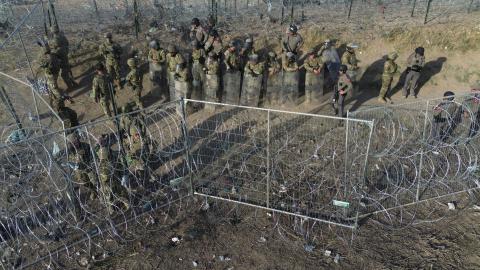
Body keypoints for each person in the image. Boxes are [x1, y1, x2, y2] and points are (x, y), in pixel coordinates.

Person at [96, 135, 129, 214]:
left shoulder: (114, 154)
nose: (101, 143)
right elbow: (96, 171)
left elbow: (122, 164)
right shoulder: (97, 157)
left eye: (103, 142)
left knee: (121, 192)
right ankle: (112, 210)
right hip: (106, 182)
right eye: (100, 142)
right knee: (109, 196)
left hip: (116, 177)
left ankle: (125, 206)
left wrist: (125, 175)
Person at [67, 132, 97, 200]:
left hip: (89, 168)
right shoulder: (69, 151)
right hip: (79, 171)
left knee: (95, 181)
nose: (76, 144)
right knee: (85, 183)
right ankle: (93, 191)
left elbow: (93, 157)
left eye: (76, 141)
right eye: (73, 143)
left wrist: (89, 164)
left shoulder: (86, 146)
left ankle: (100, 190)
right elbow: (69, 160)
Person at [49, 25, 77, 89]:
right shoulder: (63, 36)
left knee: (64, 74)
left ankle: (70, 87)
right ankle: (73, 82)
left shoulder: (55, 39)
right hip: (65, 55)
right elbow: (67, 43)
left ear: (52, 32)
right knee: (67, 69)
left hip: (61, 58)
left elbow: (52, 46)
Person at [38, 42, 61, 107]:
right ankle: (54, 98)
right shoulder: (53, 54)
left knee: (54, 88)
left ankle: (60, 100)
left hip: (51, 75)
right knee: (50, 86)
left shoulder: (47, 59)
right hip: (54, 73)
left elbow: (42, 65)